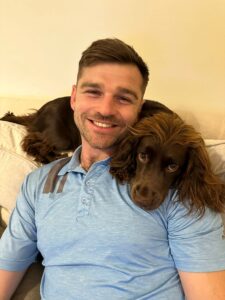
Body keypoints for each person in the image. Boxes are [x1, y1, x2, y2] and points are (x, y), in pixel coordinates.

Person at [0, 38, 225, 300]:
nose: (105, 109)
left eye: (123, 98)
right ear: (73, 97)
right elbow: (7, 269)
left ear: (140, 108)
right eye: (93, 91)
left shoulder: (184, 191)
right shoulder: (37, 184)